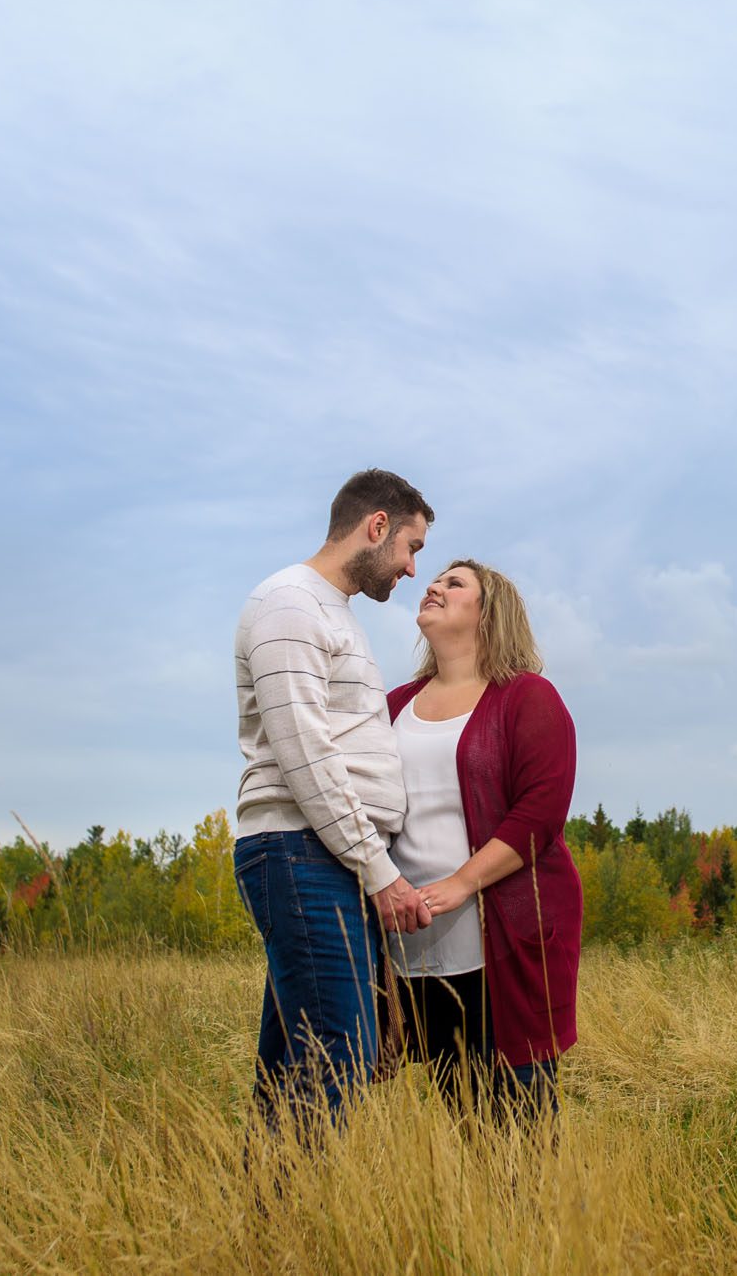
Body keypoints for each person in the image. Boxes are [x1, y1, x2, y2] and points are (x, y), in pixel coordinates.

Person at [231, 468, 436, 1129]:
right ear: (377, 526)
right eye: (411, 547)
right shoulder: (289, 603)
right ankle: (303, 1218)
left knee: (298, 1056)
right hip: (303, 853)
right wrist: (380, 872)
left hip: (326, 857)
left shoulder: (331, 613)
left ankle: (268, 1220)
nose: (409, 568)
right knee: (340, 1053)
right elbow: (304, 752)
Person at [384, 559, 581, 1118]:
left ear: (487, 613)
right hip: (416, 943)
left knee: (520, 1126)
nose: (434, 586)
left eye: (453, 583)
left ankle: (528, 1211)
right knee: (461, 1118)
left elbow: (539, 814)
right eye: (435, 579)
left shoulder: (527, 698)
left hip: (504, 943)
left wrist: (462, 883)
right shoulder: (394, 706)